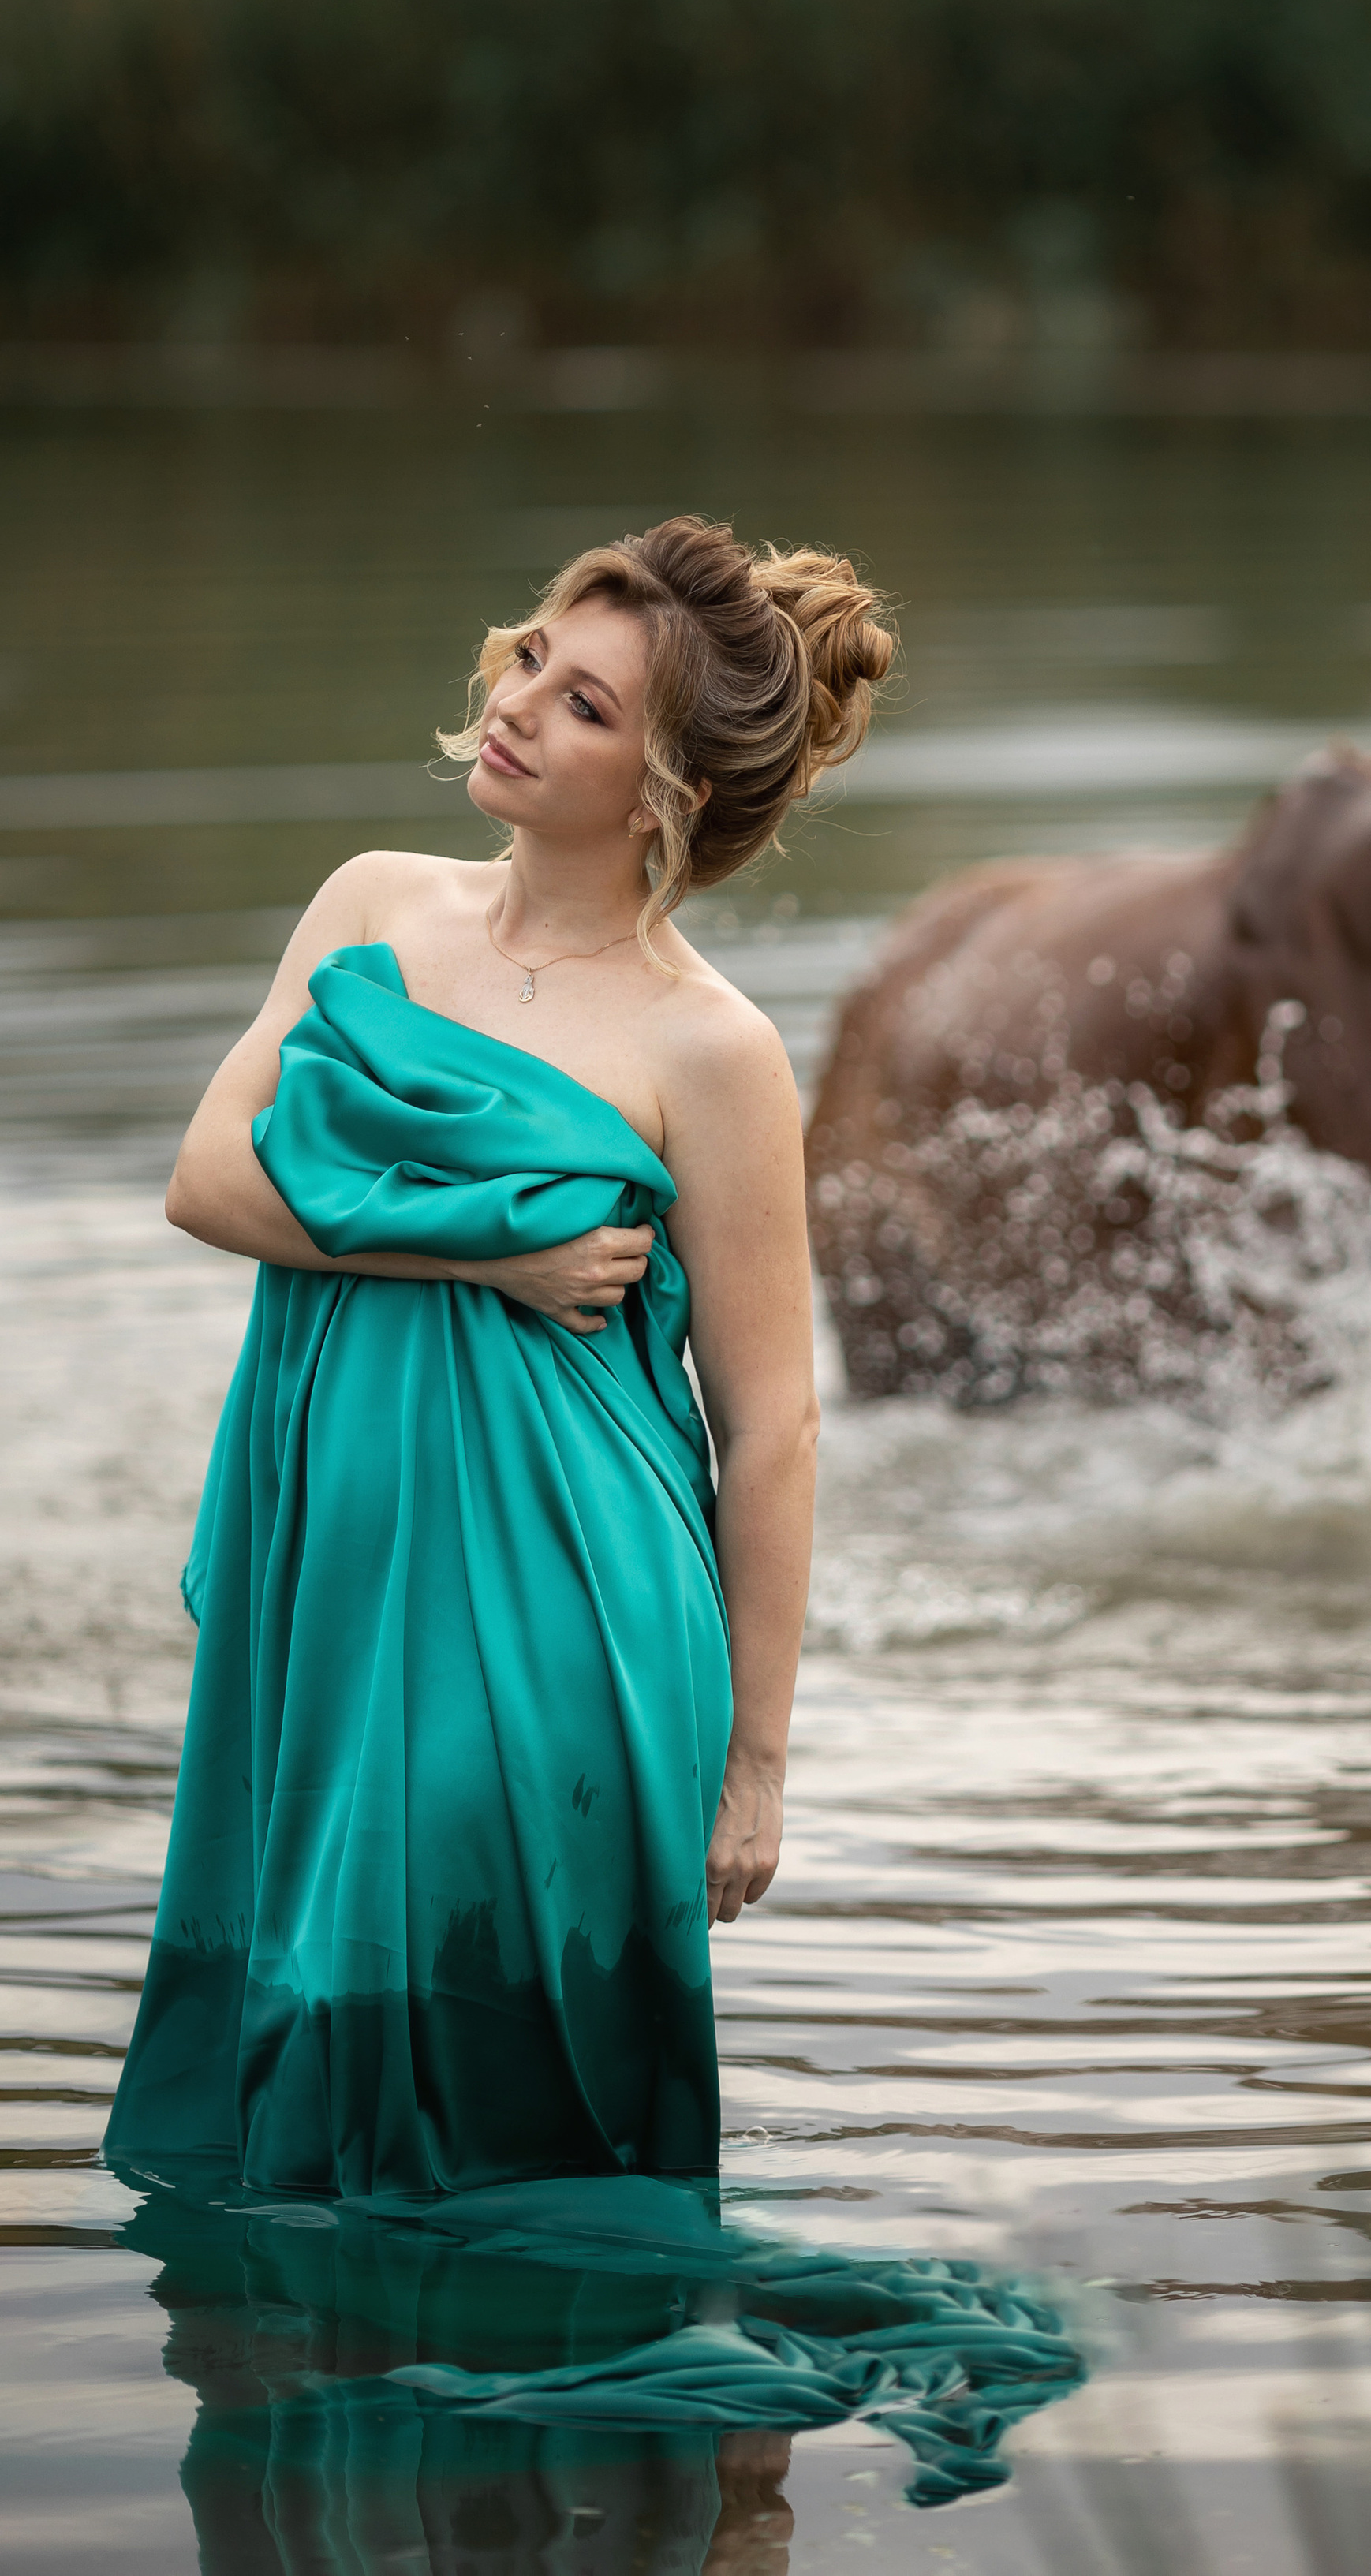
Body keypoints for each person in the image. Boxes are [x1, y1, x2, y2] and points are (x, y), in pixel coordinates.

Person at [106, 514, 894, 2194]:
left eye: (585, 704)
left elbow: (772, 1425)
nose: (519, 704)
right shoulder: (374, 905)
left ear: (667, 793)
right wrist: (486, 1245)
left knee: (496, 2080)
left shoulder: (712, 1046)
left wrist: (757, 1767)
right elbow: (208, 1181)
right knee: (307, 2060)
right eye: (534, 657)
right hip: (329, 1583)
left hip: (569, 1603)